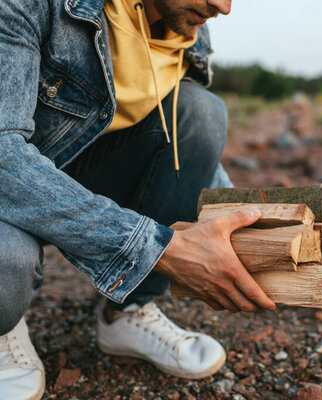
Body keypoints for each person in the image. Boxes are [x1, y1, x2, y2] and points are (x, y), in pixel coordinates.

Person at [0, 1, 278, 398]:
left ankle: (128, 311)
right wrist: (158, 250)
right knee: (6, 264)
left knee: (201, 112)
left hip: (87, 167)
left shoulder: (185, 16)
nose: (223, 6)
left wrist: (248, 219)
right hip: (10, 177)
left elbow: (185, 150)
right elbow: (2, 155)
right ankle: (3, 329)